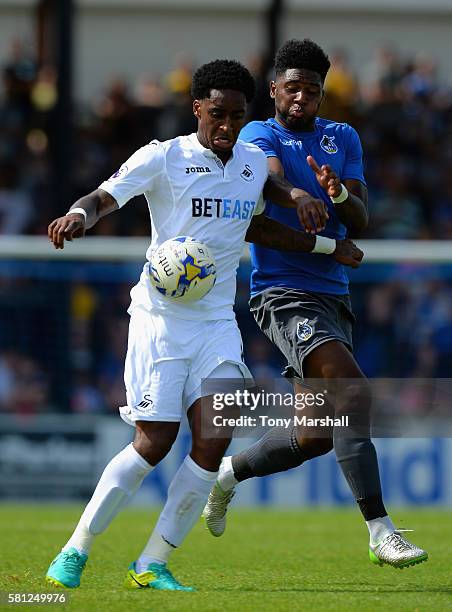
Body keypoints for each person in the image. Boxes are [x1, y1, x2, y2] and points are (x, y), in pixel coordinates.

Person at [45, 58, 363, 592]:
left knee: (214, 438)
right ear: (198, 109)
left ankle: (151, 563)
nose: (228, 126)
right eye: (218, 114)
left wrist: (326, 238)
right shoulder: (164, 157)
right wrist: (79, 215)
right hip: (160, 319)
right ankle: (75, 550)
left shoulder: (251, 164)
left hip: (215, 320)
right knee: (154, 441)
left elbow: (259, 221)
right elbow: (104, 197)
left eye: (237, 116)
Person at [203, 40, 428, 569]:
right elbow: (274, 181)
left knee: (315, 436)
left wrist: (339, 195)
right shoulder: (259, 134)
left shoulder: (342, 137)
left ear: (322, 94)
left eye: (313, 90)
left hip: (333, 296)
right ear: (276, 90)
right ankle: (380, 530)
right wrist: (303, 196)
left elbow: (360, 218)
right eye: (294, 87)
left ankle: (228, 473)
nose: (302, 97)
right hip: (282, 294)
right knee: (353, 391)